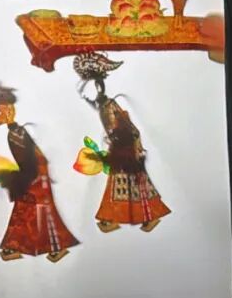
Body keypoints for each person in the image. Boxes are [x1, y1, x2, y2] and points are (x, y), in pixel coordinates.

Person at [0, 80, 80, 263]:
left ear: (8, 111)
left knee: (35, 212)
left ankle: (46, 247)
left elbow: (32, 157)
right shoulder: (16, 133)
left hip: (35, 177)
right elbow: (32, 157)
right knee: (31, 213)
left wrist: (24, 178)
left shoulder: (17, 133)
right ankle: (29, 247)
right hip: (34, 176)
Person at [73, 52, 171, 232]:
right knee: (126, 185)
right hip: (119, 149)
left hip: (125, 150)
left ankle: (132, 217)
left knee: (134, 185)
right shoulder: (103, 106)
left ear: (98, 87)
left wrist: (134, 148)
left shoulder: (110, 105)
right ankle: (119, 217)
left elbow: (131, 130)